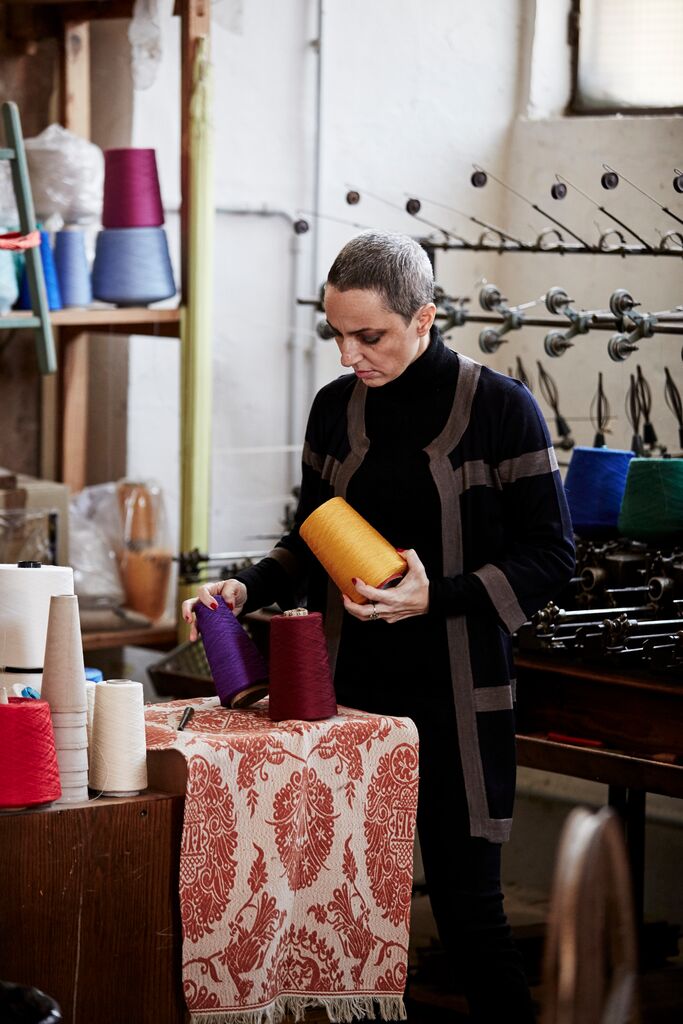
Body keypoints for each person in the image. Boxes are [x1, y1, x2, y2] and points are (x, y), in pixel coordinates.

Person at [182, 231, 575, 1023]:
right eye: (336, 333)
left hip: (458, 697)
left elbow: (552, 556)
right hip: (348, 700)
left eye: (370, 336)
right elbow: (308, 538)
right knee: (344, 905)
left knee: (469, 916)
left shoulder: (501, 409)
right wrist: (246, 585)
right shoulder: (336, 410)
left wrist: (440, 596)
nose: (347, 354)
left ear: (424, 318)